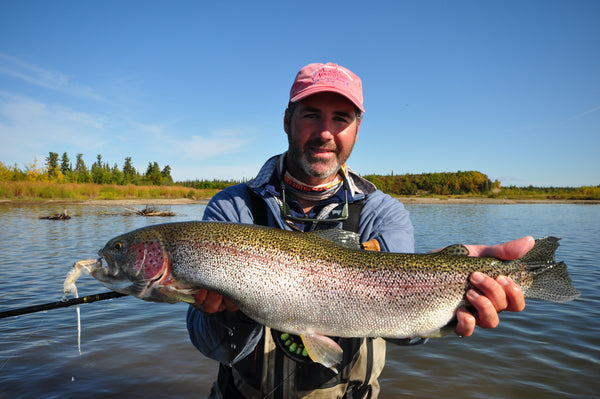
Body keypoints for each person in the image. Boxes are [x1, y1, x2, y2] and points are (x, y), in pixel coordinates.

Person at [187, 62, 532, 398]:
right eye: (311, 114)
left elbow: (406, 333)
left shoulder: (384, 213)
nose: (325, 132)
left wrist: (447, 288)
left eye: (341, 118)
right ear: (287, 120)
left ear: (357, 128)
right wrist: (229, 317)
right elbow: (207, 343)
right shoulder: (232, 208)